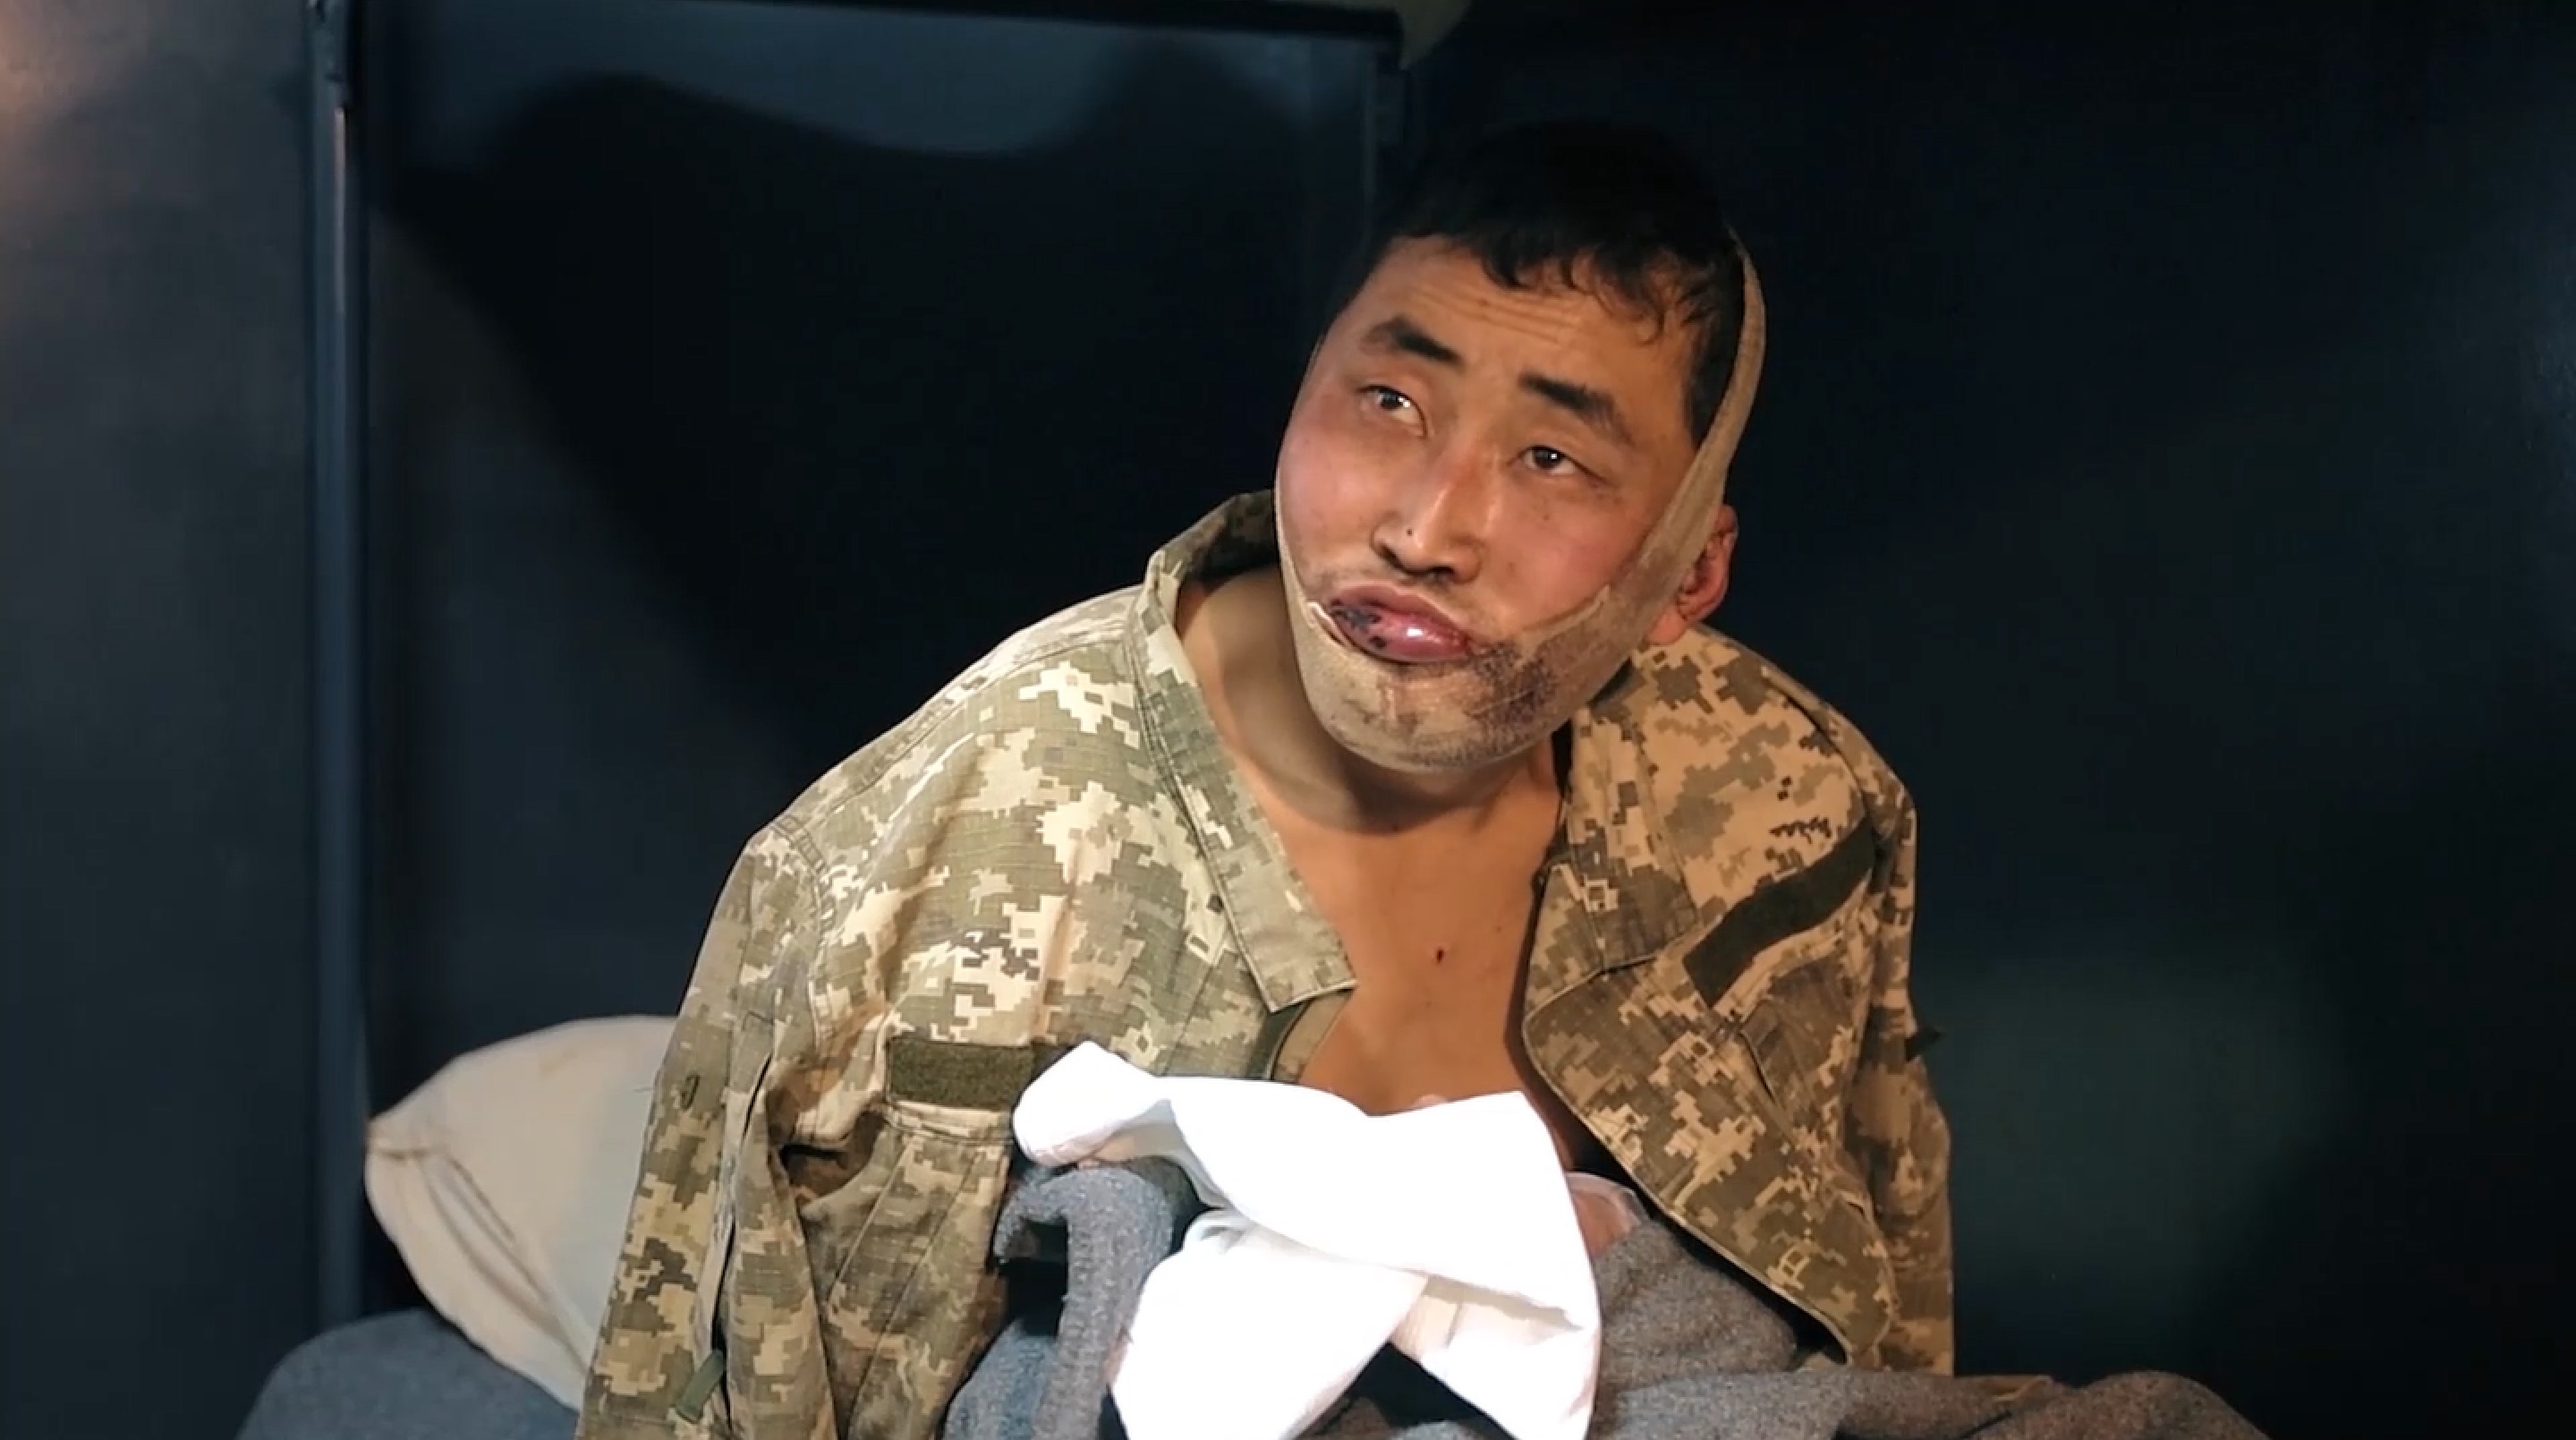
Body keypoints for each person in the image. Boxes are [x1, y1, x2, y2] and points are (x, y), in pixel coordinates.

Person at [572, 118, 1954, 1440]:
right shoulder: (914, 869)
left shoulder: (1788, 812)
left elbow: (1891, 1356)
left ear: (1690, 575)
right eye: (1389, 400)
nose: (1426, 527)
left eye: (1551, 457)